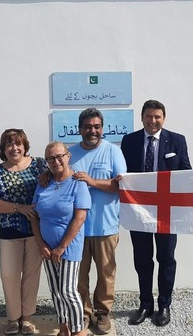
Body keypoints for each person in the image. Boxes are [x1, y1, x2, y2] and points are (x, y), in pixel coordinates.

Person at [120, 99, 193, 327]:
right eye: (149, 116)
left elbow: (185, 171)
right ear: (142, 117)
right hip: (139, 209)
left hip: (167, 211)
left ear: (164, 118)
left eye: (157, 117)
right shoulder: (129, 141)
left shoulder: (177, 140)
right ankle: (145, 304)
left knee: (166, 258)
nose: (153, 121)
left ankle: (164, 305)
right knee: (142, 259)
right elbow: (122, 170)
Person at [68, 108, 126, 334]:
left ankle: (102, 312)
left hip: (105, 225)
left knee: (106, 273)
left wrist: (91, 181)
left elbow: (120, 185)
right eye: (87, 127)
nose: (92, 131)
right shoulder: (69, 154)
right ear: (79, 129)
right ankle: (83, 312)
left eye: (96, 126)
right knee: (78, 275)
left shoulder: (113, 151)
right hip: (76, 227)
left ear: (102, 128)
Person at [0, 129, 46, 335]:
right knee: (9, 275)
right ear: (3, 149)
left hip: (36, 231)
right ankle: (13, 318)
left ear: (25, 146)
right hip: (10, 232)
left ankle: (27, 319)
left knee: (31, 276)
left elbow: (56, 183)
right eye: (9, 144)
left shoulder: (39, 165)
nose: (14, 148)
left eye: (18, 143)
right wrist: (19, 208)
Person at [32, 142, 91, 336]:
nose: (56, 161)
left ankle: (78, 330)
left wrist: (61, 247)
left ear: (68, 156)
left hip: (68, 248)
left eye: (60, 156)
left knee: (68, 291)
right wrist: (41, 244)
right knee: (56, 292)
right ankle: (64, 327)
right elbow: (34, 216)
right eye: (50, 158)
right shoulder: (43, 183)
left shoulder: (78, 182)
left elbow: (80, 217)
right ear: (46, 162)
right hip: (47, 248)